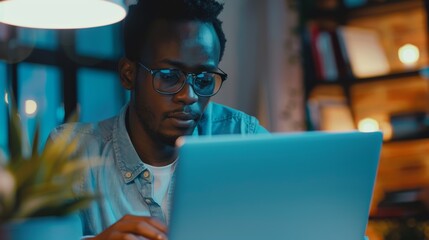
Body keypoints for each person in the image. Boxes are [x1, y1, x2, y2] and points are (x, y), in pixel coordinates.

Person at [49, 0, 268, 239]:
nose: (189, 96)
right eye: (168, 76)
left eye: (204, 79)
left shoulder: (242, 136)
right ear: (128, 75)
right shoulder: (73, 153)